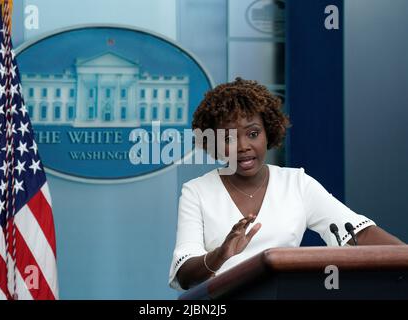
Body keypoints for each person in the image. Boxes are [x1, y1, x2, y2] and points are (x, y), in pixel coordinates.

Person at [169, 77, 404, 291]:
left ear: (268, 132)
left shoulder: (296, 183)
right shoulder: (196, 191)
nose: (243, 146)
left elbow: (359, 234)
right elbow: (184, 275)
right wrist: (220, 255)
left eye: (253, 133)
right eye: (229, 138)